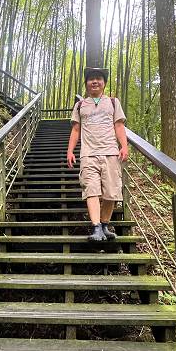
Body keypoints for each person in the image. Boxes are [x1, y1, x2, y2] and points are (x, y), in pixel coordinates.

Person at [67, 67, 128, 242]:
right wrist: (70, 151)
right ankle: (95, 228)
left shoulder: (113, 102)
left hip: (110, 152)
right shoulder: (80, 106)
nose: (95, 81)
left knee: (111, 193)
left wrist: (124, 146)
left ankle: (104, 225)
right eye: (91, 79)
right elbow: (76, 129)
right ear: (86, 83)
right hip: (88, 154)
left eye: (98, 78)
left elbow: (119, 126)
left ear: (104, 83)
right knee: (91, 191)